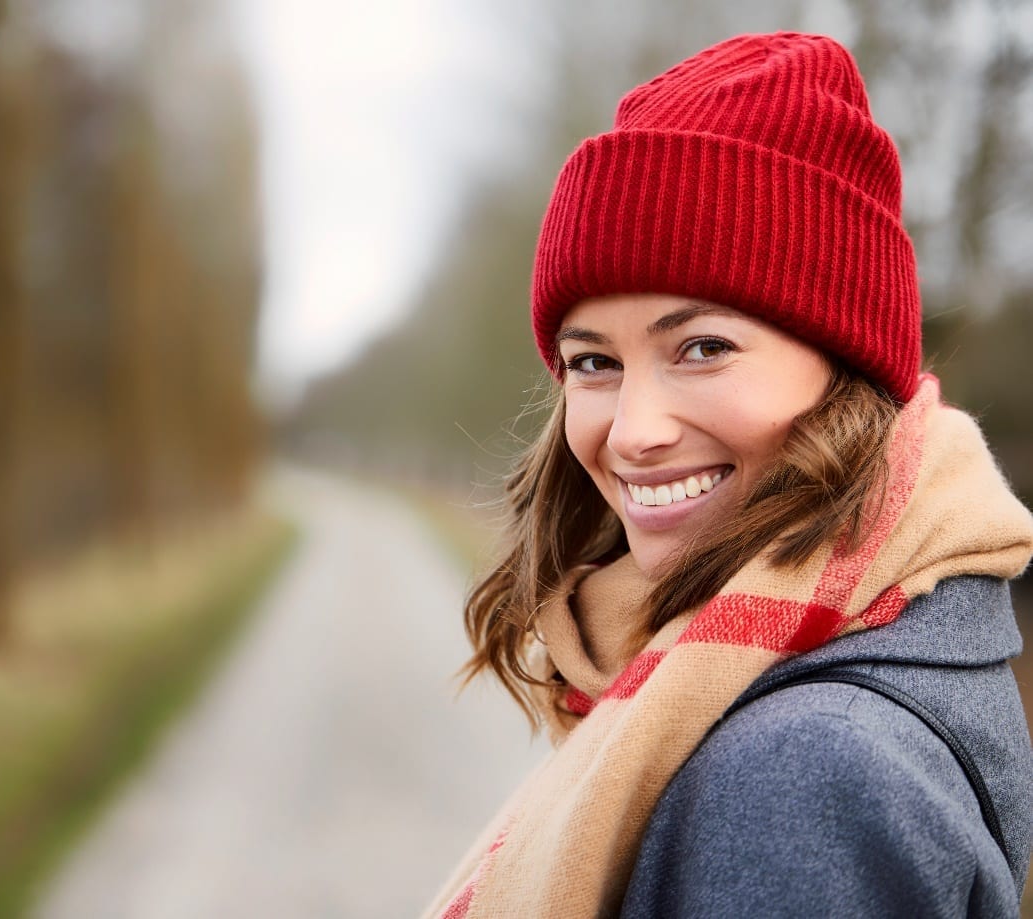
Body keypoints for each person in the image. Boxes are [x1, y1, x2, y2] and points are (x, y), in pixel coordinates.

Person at [422, 32, 1033, 919]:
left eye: (702, 348)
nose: (633, 432)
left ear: (844, 366)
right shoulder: (900, 639)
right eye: (592, 362)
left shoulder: (809, 775)